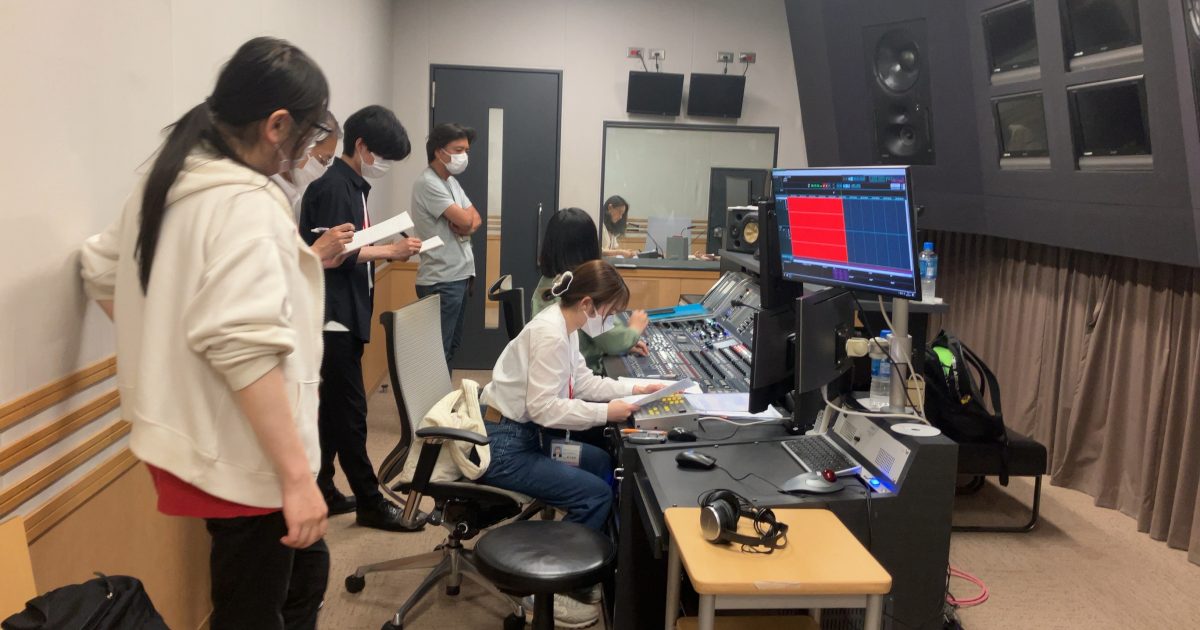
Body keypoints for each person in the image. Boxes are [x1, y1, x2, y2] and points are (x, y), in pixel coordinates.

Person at [80, 37, 331, 630]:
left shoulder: (169, 180)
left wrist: (167, 356)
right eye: (308, 135)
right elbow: (246, 349)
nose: (307, 151)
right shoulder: (245, 203)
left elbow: (99, 267)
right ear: (277, 125)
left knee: (287, 579)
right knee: (252, 609)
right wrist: (298, 478)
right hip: (246, 451)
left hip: (193, 436)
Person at [479, 260, 662, 627]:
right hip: (505, 445)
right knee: (595, 495)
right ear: (588, 304)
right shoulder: (550, 334)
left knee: (601, 464)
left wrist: (636, 388)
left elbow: (585, 382)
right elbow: (544, 409)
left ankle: (583, 565)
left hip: (525, 433)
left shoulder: (567, 326)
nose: (610, 321)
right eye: (609, 312)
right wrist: (607, 412)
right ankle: (547, 591)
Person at [298, 106, 422, 530]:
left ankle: (323, 488)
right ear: (362, 146)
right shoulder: (336, 187)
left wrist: (386, 247)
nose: (384, 165)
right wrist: (391, 251)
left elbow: (348, 246)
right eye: (383, 155)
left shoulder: (352, 185)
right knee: (351, 415)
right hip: (332, 317)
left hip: (344, 312)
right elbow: (334, 255)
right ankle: (371, 502)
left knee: (334, 413)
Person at [535, 208, 649, 374]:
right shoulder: (582, 290)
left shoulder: (547, 281)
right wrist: (634, 330)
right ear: (590, 246)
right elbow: (614, 342)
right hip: (580, 374)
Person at [411, 123, 482, 365]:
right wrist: (466, 221)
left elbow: (475, 218)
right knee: (438, 354)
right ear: (439, 151)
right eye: (458, 150)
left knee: (450, 348)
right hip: (441, 279)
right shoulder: (428, 182)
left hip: (458, 276)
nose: (464, 156)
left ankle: (444, 391)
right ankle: (434, 392)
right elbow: (466, 218)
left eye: (466, 151)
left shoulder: (450, 182)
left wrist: (466, 224)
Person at [270, 112, 354, 268]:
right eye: (324, 159)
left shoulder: (292, 193)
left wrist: (321, 261)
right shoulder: (264, 193)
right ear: (304, 145)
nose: (323, 168)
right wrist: (317, 251)